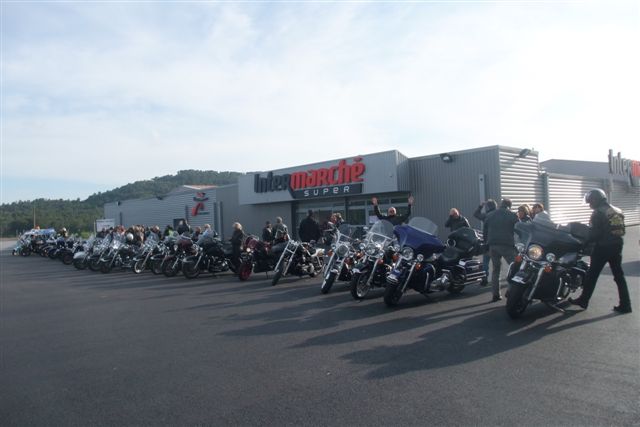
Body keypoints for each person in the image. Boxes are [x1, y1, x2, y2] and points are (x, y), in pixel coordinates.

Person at [569, 189, 632, 314]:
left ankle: (583, 300)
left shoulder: (598, 213)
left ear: (596, 200)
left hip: (602, 247)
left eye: (590, 202)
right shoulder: (617, 210)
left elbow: (594, 234)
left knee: (591, 275)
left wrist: (583, 243)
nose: (589, 204)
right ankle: (626, 305)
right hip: (617, 246)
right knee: (619, 276)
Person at [484, 198, 518, 302]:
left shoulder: (490, 215)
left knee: (496, 270)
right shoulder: (512, 215)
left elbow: (485, 231)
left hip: (493, 245)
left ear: (501, 204)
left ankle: (496, 295)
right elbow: (519, 230)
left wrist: (486, 244)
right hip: (507, 245)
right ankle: (511, 291)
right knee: (515, 268)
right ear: (509, 206)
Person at [474, 199, 498, 278]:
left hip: (487, 242)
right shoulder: (498, 214)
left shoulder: (486, 215)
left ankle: (484, 278)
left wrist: (480, 206)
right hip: (497, 242)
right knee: (496, 262)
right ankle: (496, 278)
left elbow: (476, 214)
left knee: (485, 262)